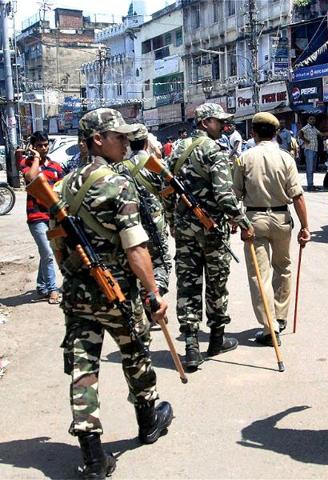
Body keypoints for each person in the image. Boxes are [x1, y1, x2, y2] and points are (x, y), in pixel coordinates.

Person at [52, 108, 172, 478]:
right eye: (118, 136)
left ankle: (92, 456)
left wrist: (77, 276)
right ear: (96, 140)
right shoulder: (119, 184)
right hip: (117, 294)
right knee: (135, 354)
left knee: (83, 367)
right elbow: (136, 248)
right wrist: (153, 293)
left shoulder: (61, 187)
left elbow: (59, 247)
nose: (126, 142)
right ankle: (148, 421)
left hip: (77, 295)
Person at [165, 103, 253, 371]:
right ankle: (216, 339)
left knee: (188, 283)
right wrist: (244, 222)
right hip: (212, 230)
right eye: (219, 121)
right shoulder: (214, 150)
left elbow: (165, 190)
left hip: (184, 230)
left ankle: (191, 347)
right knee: (216, 283)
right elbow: (225, 196)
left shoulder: (176, 149)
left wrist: (172, 221)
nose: (224, 126)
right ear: (205, 123)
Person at [232, 112, 311, 346]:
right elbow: (297, 196)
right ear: (276, 133)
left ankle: (270, 328)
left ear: (253, 133)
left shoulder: (244, 158)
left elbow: (234, 195)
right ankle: (280, 316)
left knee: (260, 275)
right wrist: (305, 227)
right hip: (281, 219)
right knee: (283, 267)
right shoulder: (286, 158)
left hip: (254, 219)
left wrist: (234, 221)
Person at [113, 124, 172, 313]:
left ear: (129, 143)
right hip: (156, 223)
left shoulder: (120, 167)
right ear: (146, 142)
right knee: (162, 263)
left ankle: (146, 297)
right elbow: (168, 195)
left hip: (133, 224)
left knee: (139, 264)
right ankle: (154, 297)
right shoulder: (158, 165)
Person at [21, 131, 64, 304]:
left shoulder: (56, 166)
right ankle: (53, 289)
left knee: (47, 252)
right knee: (47, 252)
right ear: (33, 147)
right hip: (36, 216)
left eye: (45, 144)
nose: (44, 148)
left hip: (52, 215)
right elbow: (31, 178)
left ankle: (41, 285)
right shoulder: (27, 163)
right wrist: (36, 158)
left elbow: (61, 188)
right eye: (39, 145)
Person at [298, 115, 328, 191]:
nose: (313, 120)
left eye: (314, 119)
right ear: (308, 120)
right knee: (310, 169)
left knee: (313, 168)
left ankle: (311, 184)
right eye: (311, 119)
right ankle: (310, 186)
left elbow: (321, 134)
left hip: (314, 150)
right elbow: (300, 133)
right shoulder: (306, 127)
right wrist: (305, 140)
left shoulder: (314, 128)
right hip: (309, 150)